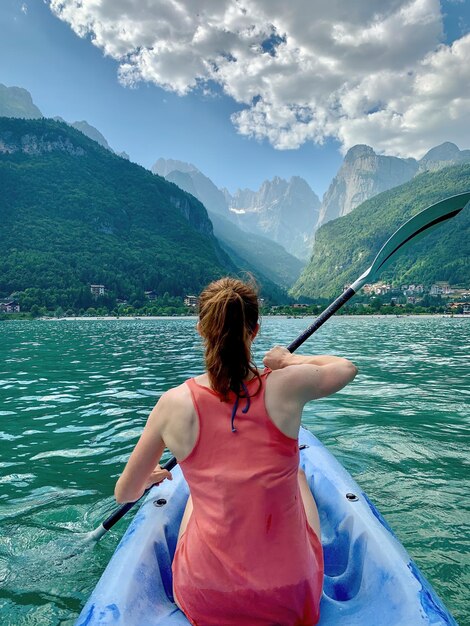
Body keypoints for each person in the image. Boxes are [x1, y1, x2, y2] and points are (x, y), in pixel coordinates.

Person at [115, 277, 358, 626]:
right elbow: (346, 368)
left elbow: (125, 492)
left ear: (202, 329)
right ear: (254, 330)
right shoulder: (285, 385)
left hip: (206, 597)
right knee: (299, 475)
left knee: (197, 495)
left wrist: (146, 479)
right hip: (288, 596)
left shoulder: (171, 404)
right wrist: (288, 360)